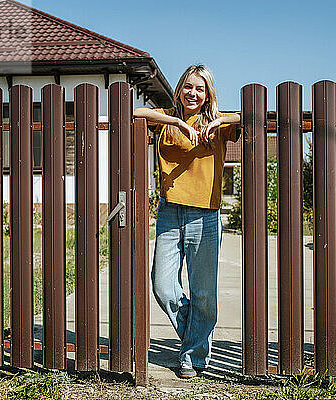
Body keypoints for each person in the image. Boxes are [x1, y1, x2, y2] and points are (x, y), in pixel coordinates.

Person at [134, 64, 240, 378]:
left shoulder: (217, 123)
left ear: (208, 94)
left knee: (203, 293)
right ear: (180, 89)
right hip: (169, 212)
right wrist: (176, 120)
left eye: (200, 88)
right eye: (188, 87)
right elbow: (137, 113)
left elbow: (249, 117)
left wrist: (218, 120)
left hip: (206, 215)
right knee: (163, 286)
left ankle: (192, 356)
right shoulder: (165, 119)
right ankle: (198, 340)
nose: (192, 93)